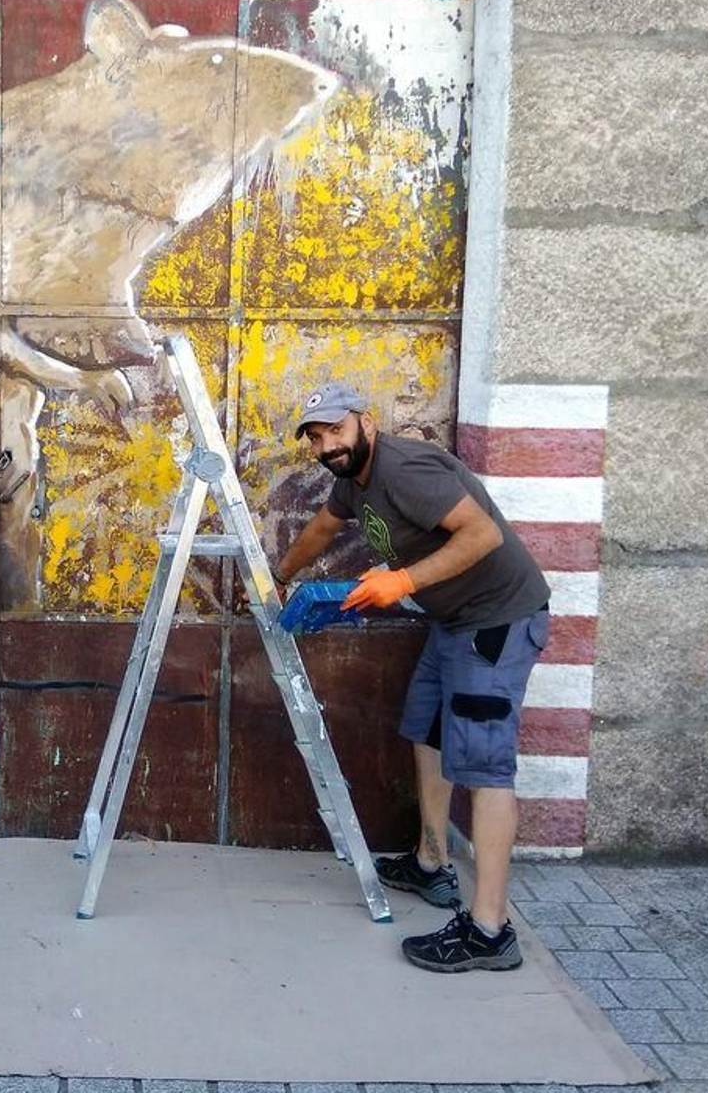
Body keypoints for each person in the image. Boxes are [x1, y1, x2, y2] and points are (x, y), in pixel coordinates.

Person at [271, 381, 551, 973]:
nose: (327, 445)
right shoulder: (354, 478)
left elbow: (482, 534)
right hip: (453, 621)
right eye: (316, 437)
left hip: (495, 621)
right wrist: (281, 574)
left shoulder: (403, 469)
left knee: (485, 766)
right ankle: (431, 863)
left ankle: (489, 930)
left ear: (365, 423)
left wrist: (402, 581)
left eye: (336, 430)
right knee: (426, 730)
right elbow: (323, 528)